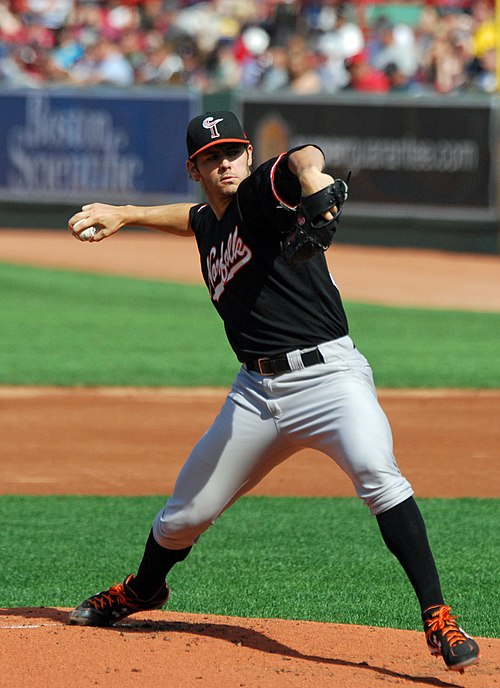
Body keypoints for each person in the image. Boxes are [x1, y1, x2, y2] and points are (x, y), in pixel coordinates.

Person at [67, 110, 480, 674]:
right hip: (255, 394)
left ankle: (438, 615)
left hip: (330, 379)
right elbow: (191, 220)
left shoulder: (261, 192)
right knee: (182, 518)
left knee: (380, 477)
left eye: (234, 152)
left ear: (247, 156)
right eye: (212, 158)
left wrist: (314, 186)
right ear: (195, 169)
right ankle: (142, 590)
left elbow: (305, 157)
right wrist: (127, 214)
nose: (227, 163)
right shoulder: (212, 221)